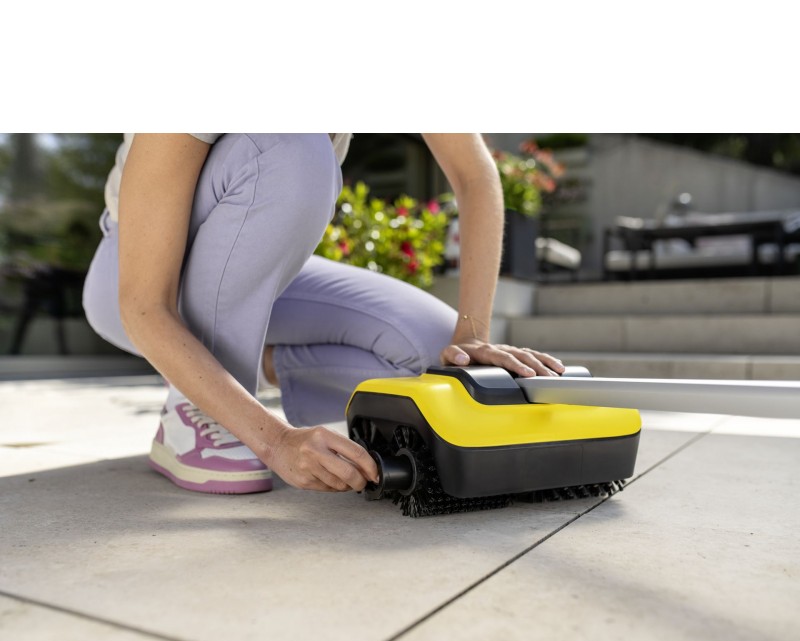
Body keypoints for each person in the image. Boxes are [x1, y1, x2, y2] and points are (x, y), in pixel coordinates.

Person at [83, 133, 564, 496]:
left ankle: (260, 363)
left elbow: (474, 175)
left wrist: (472, 336)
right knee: (291, 143)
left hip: (260, 274)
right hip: (136, 276)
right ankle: (193, 411)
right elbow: (143, 303)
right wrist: (274, 441)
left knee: (433, 358)